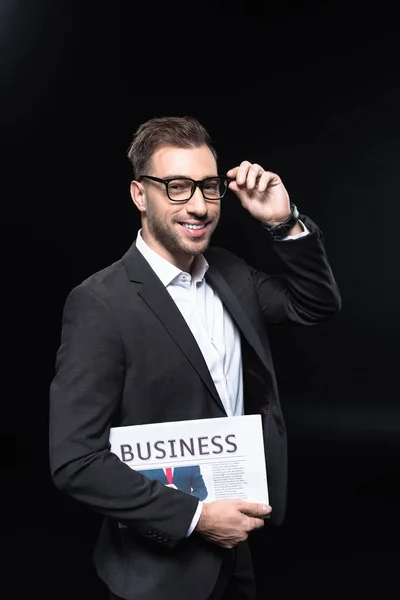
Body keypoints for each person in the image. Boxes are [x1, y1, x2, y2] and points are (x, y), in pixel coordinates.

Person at [49, 115, 341, 600]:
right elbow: (76, 461)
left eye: (208, 187)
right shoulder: (99, 303)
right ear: (140, 195)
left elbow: (314, 304)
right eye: (177, 187)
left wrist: (283, 221)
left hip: (240, 549)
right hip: (156, 572)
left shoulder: (230, 272)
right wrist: (197, 518)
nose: (200, 206)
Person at [137, 466, 208, 501]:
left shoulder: (190, 466)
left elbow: (202, 491)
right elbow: (140, 493)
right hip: (156, 515)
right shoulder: (143, 467)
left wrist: (184, 498)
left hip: (184, 513)